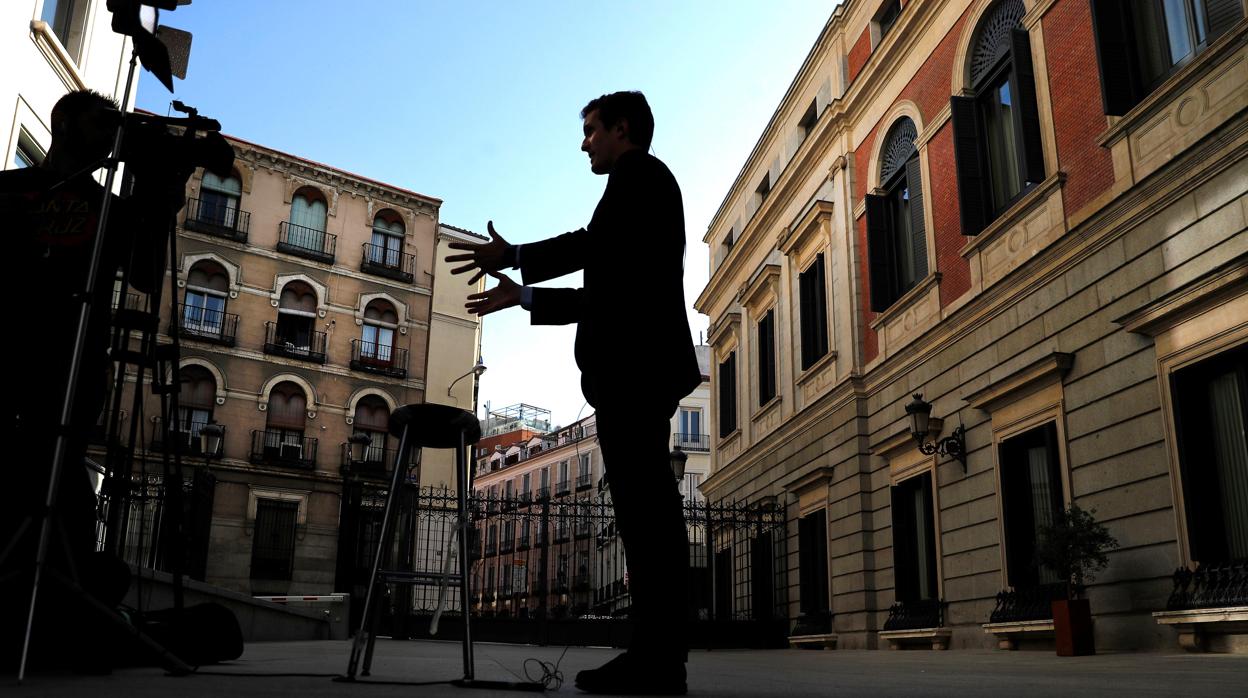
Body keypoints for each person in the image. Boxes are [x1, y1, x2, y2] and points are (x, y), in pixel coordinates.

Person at [447, 90, 700, 695]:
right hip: (636, 371)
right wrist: (523, 294)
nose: (584, 142)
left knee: (648, 520)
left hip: (635, 373)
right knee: (647, 518)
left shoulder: (641, 176)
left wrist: (515, 256)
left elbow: (588, 250)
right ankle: (658, 656)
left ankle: (656, 660)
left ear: (623, 129)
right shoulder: (642, 190)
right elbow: (602, 293)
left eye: (592, 130)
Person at [0, 89, 153, 669]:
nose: (110, 131)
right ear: (63, 124)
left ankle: (62, 599)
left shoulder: (108, 208)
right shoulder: (8, 191)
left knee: (64, 481)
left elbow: (144, 273)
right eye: (101, 120)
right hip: (11, 352)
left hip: (72, 365)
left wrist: (150, 188)